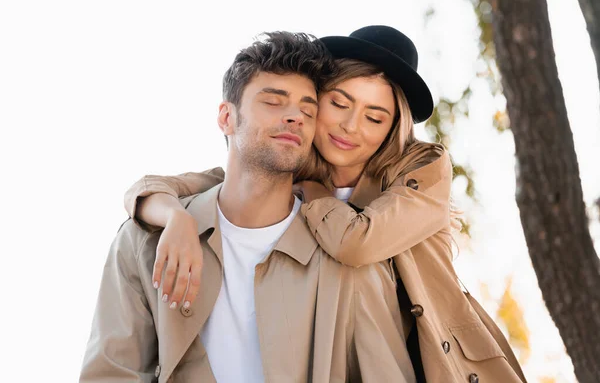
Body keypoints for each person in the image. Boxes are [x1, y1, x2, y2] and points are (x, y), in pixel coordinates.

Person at [124, 25, 528, 382]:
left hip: (439, 359)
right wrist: (174, 216)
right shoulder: (293, 164)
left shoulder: (421, 169)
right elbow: (181, 185)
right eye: (339, 104)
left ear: (392, 128)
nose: (351, 127)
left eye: (374, 117)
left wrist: (316, 195)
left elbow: (357, 244)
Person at [81, 31, 416, 383]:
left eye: (307, 109)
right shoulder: (143, 243)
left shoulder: (349, 261)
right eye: (273, 101)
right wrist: (176, 217)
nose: (295, 117)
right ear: (226, 117)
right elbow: (111, 374)